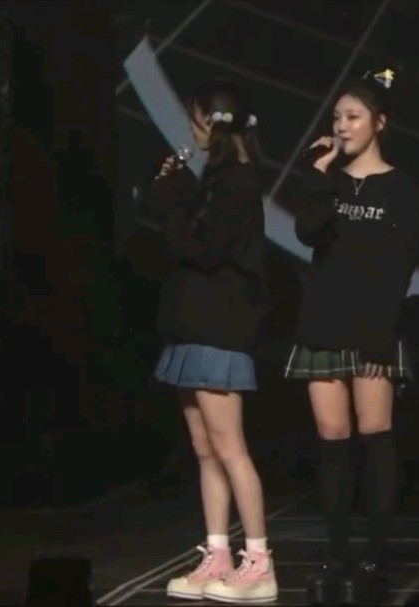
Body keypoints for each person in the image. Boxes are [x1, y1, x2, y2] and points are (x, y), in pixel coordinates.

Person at [284, 69, 419, 606]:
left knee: (375, 434)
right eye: (337, 117)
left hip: (374, 328)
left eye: (353, 117)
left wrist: (379, 334)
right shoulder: (326, 180)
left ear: (379, 123)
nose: (341, 126)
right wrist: (318, 174)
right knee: (332, 437)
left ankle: (375, 558)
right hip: (323, 322)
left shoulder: (403, 188)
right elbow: (307, 232)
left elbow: (402, 265)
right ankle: (337, 554)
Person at [148, 79, 277, 604]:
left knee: (229, 448)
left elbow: (200, 249)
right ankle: (218, 554)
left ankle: (260, 563)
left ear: (214, 123)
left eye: (196, 118)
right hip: (193, 323)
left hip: (218, 328)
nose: (191, 129)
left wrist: (173, 196)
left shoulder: (236, 182)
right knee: (205, 449)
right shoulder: (219, 178)